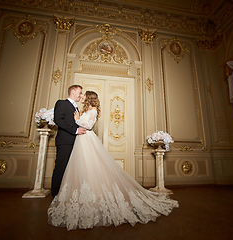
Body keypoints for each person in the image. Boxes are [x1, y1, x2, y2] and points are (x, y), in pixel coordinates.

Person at [48, 91, 178, 230]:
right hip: (81, 140)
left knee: (91, 165)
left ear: (89, 98)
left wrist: (78, 118)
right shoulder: (86, 109)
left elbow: (89, 125)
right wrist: (79, 116)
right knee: (82, 167)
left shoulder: (93, 110)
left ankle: (96, 196)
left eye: (84, 95)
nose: (82, 97)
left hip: (86, 139)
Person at [51, 85, 87, 198]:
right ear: (73, 91)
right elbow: (58, 120)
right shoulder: (61, 103)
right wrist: (75, 130)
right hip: (65, 141)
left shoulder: (76, 107)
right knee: (61, 168)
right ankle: (56, 195)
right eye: (80, 93)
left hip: (75, 142)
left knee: (71, 169)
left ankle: (66, 194)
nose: (81, 96)